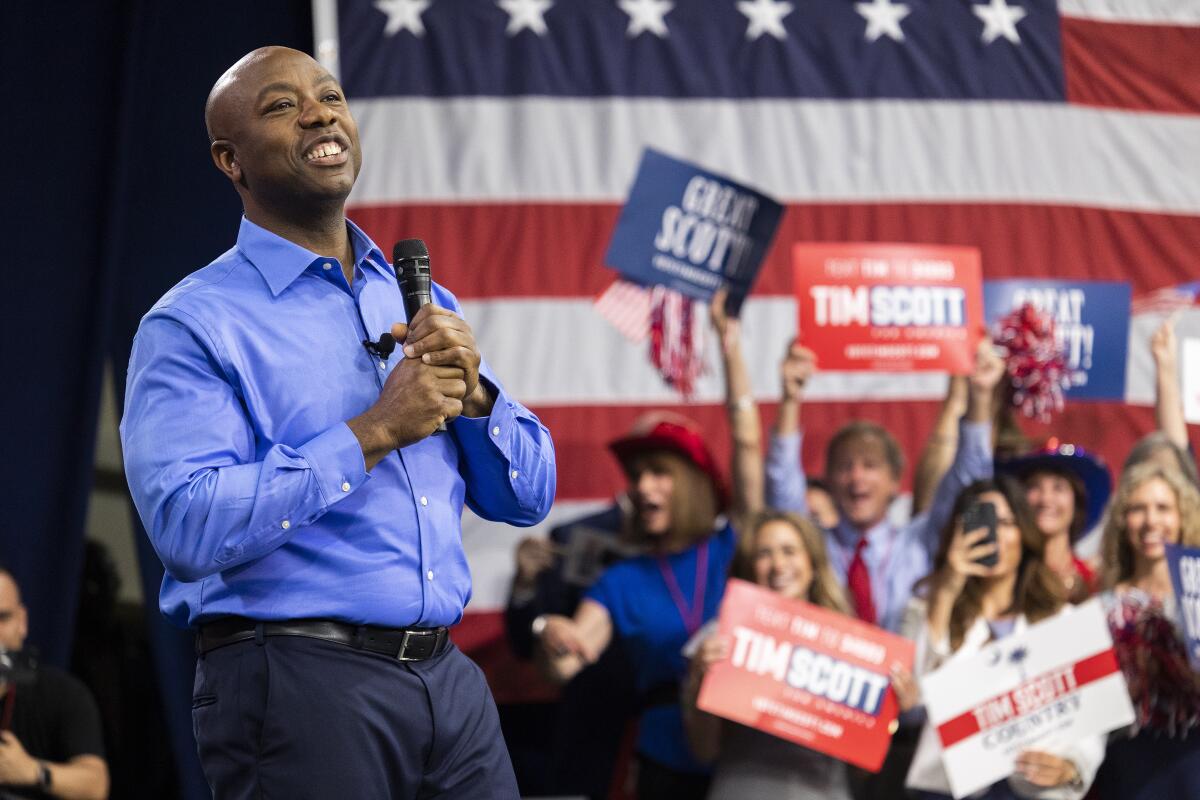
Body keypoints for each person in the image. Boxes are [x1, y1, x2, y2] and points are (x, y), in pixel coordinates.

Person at [120, 47, 555, 799]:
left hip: (448, 684)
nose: (320, 113)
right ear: (231, 161)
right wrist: (374, 431)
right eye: (282, 106)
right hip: (296, 684)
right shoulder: (194, 324)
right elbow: (187, 527)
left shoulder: (417, 299)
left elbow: (528, 496)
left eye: (330, 96)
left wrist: (476, 396)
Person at [535, 291, 752, 798]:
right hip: (662, 769)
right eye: (637, 476)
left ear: (696, 482)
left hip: (745, 759)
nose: (643, 487)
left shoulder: (734, 547)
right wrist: (553, 637)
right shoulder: (620, 581)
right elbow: (567, 661)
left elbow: (748, 445)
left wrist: (730, 344)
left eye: (660, 473)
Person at [767, 338, 1004, 634]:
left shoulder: (921, 542)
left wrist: (980, 396)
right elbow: (781, 487)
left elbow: (969, 482)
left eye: (870, 466)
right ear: (829, 481)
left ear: (895, 481)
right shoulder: (813, 546)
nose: (857, 478)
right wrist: (790, 399)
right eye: (844, 467)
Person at [905, 479, 1103, 799]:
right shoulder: (927, 608)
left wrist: (1072, 765)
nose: (994, 535)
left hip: (1031, 789)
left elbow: (1091, 716)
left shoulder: (1062, 618)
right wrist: (948, 589)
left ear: (1025, 533)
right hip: (947, 790)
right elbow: (917, 696)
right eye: (982, 523)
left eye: (1007, 523)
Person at [680, 511, 859, 799]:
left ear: (812, 564)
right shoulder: (718, 636)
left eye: (789, 551)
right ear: (749, 568)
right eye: (764, 553)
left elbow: (862, 759)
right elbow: (704, 750)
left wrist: (891, 712)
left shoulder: (850, 646)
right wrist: (701, 681)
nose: (778, 565)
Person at [1094, 462, 1200, 799]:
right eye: (1138, 509)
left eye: (1163, 508)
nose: (1151, 521)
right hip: (1127, 766)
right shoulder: (1101, 606)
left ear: (1183, 516)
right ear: (1123, 522)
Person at [0, 570, 108, 800]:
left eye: (2, 618)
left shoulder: (62, 694)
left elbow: (96, 785)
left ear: (22, 621)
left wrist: (32, 771)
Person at [997, 443, 1111, 602]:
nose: (1045, 499)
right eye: (1034, 486)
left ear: (1076, 502)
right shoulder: (1001, 578)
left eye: (1058, 488)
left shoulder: (1098, 582)